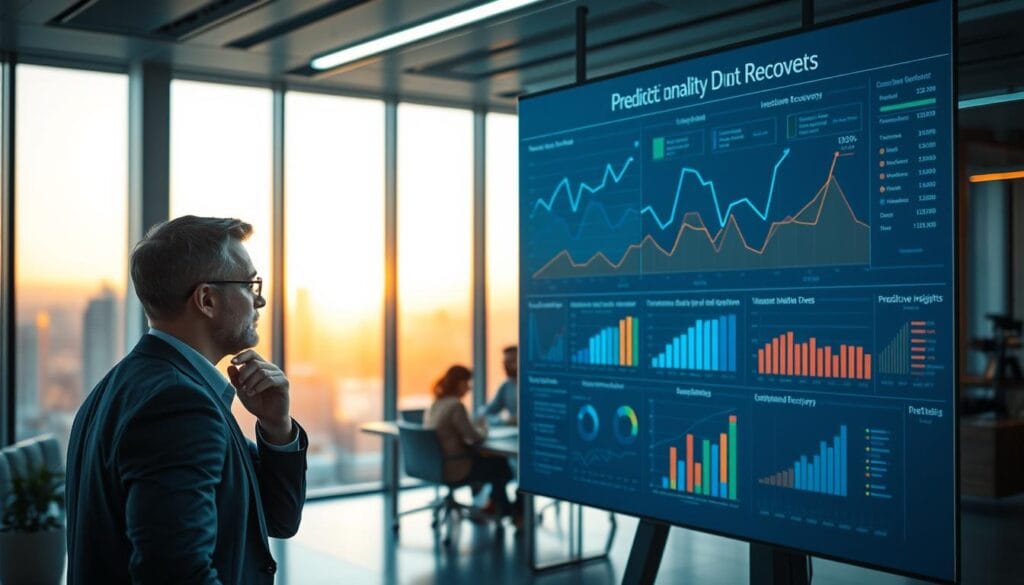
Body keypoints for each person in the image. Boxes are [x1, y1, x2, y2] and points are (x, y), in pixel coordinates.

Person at [65, 216, 307, 584]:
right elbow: (175, 574)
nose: (259, 299)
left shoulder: (120, 388)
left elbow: (277, 517)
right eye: (249, 284)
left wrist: (277, 427)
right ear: (206, 299)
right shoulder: (179, 405)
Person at [423, 365, 515, 518]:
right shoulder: (456, 405)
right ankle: (504, 510)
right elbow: (474, 437)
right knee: (501, 465)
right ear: (460, 384)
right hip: (454, 466)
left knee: (489, 461)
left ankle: (494, 504)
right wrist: (482, 428)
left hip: (435, 465)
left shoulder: (436, 403)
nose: (469, 388)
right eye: (468, 383)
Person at [480, 345, 518, 424]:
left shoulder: (533, 384)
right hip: (512, 433)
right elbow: (490, 410)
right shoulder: (506, 386)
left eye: (511, 362)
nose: (506, 366)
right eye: (505, 363)